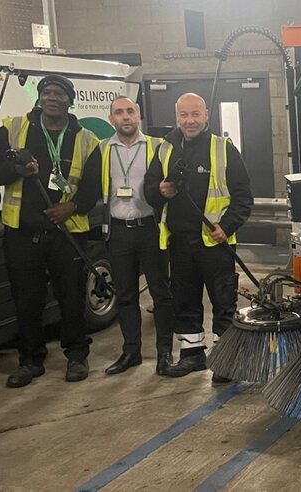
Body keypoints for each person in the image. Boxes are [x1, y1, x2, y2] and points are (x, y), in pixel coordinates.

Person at [0, 75, 99, 387]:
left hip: (67, 233)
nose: (52, 98)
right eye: (46, 92)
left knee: (72, 297)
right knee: (26, 298)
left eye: (59, 93)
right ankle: (30, 361)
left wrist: (71, 207)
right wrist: (15, 170)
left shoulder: (86, 138)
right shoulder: (14, 127)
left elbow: (94, 187)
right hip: (22, 233)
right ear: (39, 98)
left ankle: (76, 355)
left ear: (69, 100)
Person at [144, 93, 253, 382]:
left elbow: (243, 198)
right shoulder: (165, 150)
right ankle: (192, 355)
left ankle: (225, 360)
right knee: (185, 300)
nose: (190, 121)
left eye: (195, 114)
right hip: (179, 242)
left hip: (215, 242)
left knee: (223, 302)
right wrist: (161, 190)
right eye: (184, 115)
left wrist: (226, 226)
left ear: (206, 116)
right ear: (177, 116)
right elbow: (149, 191)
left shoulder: (223, 149)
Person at [74, 96, 176, 376]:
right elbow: (89, 188)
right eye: (119, 112)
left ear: (138, 115)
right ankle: (131, 352)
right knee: (126, 296)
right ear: (111, 119)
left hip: (152, 230)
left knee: (161, 293)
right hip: (118, 232)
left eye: (130, 111)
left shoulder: (158, 146)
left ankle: (164, 354)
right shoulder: (103, 149)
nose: (125, 116)